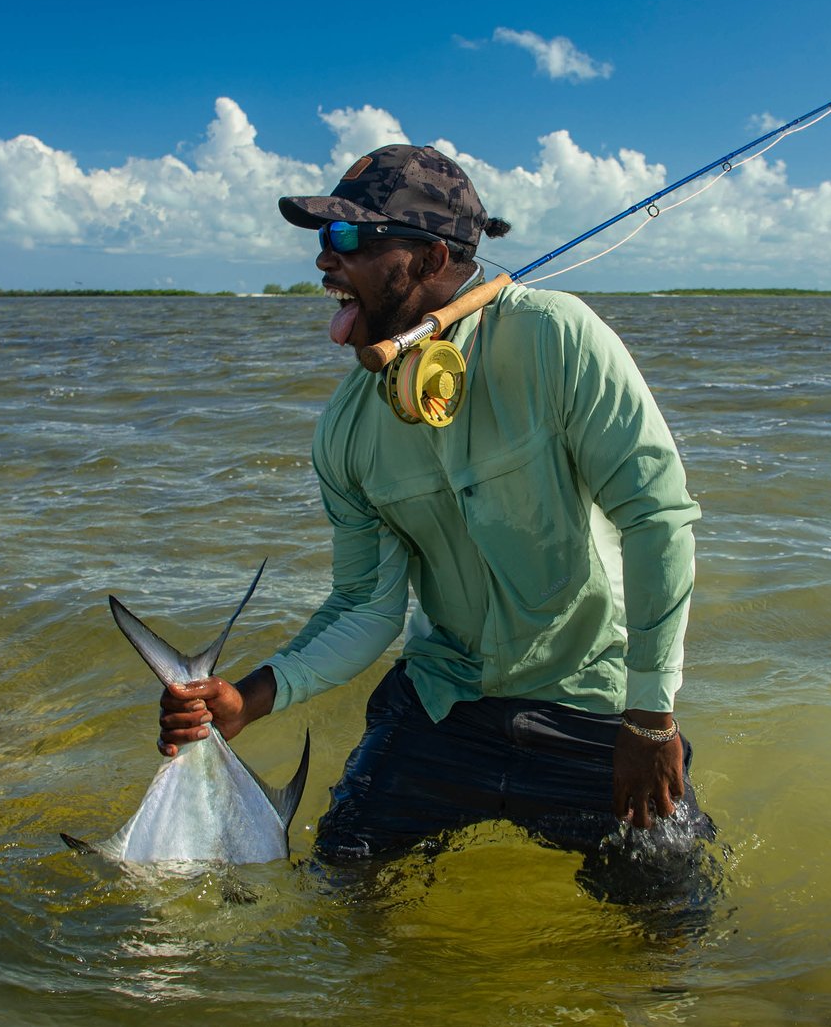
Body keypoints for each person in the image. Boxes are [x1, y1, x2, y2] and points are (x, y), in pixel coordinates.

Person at [156, 146, 719, 926]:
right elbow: (364, 605)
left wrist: (650, 718)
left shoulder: (557, 339)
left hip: (598, 704)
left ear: (430, 257)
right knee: (341, 890)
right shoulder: (347, 428)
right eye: (324, 239)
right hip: (444, 701)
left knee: (674, 914)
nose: (326, 258)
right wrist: (245, 699)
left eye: (351, 240)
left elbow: (657, 518)